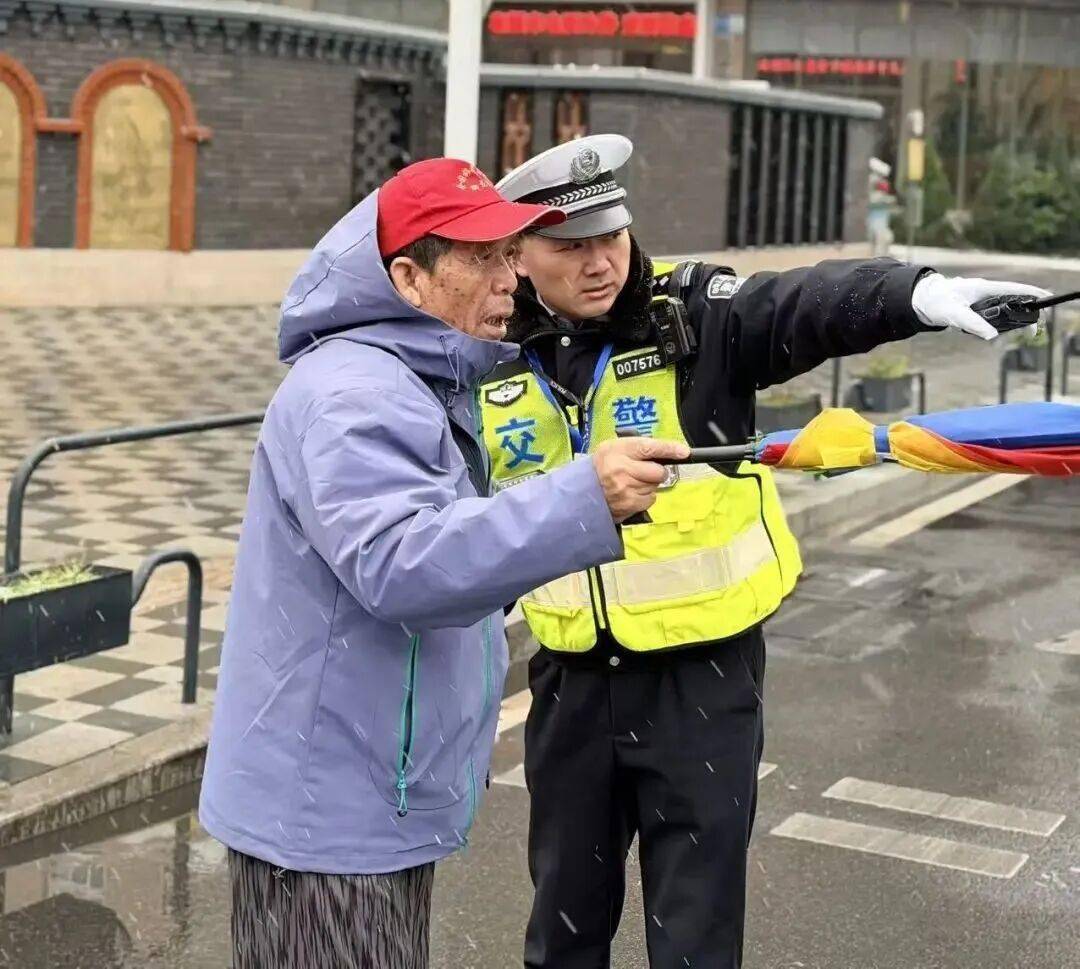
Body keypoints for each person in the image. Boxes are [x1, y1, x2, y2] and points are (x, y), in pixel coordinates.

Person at [488, 134, 1050, 969]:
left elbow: (804, 303)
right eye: (570, 247)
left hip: (700, 684)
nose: (600, 261)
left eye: (610, 235)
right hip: (568, 686)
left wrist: (920, 294)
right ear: (518, 254)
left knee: (696, 939)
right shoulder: (491, 347)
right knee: (563, 932)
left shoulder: (694, 315)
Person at [199, 157, 690, 969]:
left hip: (352, 800)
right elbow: (403, 562)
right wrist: (583, 498)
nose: (510, 280)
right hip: (327, 818)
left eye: (510, 254)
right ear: (408, 277)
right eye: (483, 258)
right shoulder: (357, 394)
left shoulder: (408, 376)